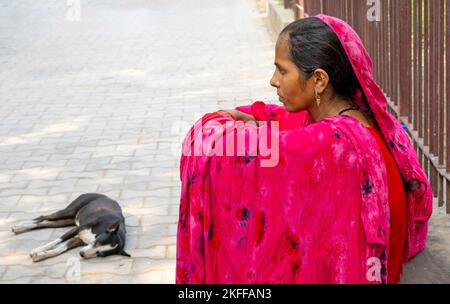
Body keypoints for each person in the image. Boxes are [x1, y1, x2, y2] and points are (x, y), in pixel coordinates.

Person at [176, 15, 432, 284]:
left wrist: (221, 120)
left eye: (282, 70)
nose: (273, 81)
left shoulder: (334, 144)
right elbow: (282, 122)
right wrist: (255, 121)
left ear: (319, 80)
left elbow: (218, 145)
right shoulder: (366, 119)